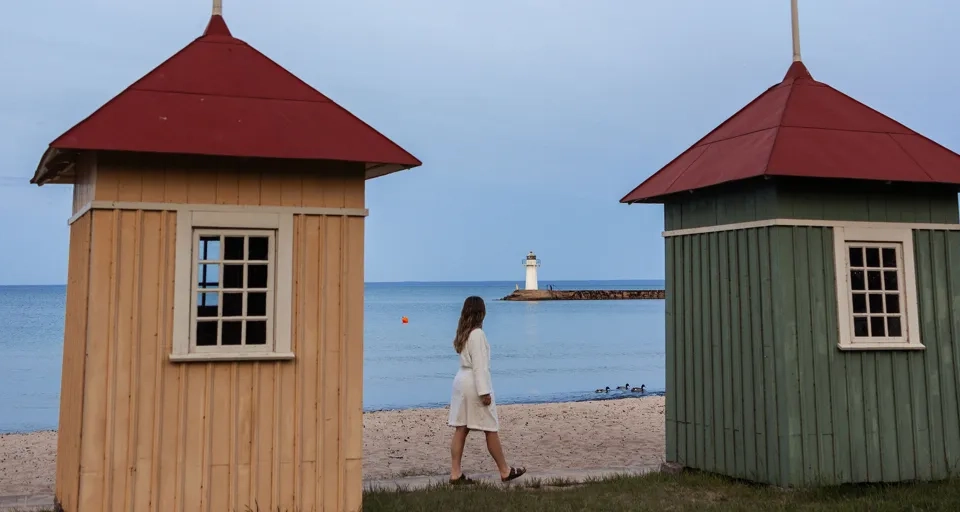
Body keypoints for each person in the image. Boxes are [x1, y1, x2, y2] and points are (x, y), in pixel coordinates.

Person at [448, 296, 526, 484]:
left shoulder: (463, 333)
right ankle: (505, 471)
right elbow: (480, 366)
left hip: (461, 381)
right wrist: (484, 392)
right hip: (473, 383)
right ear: (481, 313)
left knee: (461, 428)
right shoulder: (477, 335)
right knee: (490, 428)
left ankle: (455, 472)